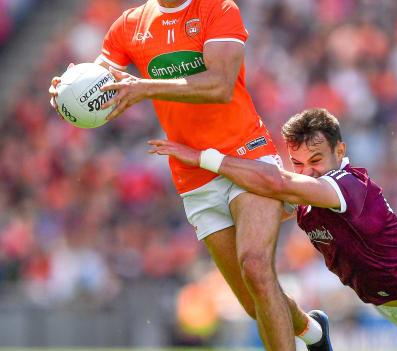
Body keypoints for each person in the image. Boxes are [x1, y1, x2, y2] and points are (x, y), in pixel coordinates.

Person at [47, 1, 330, 350]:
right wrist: (69, 90)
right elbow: (102, 82)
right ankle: (313, 332)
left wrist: (146, 87)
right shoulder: (129, 25)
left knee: (256, 267)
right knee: (252, 301)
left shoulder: (217, 8)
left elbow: (220, 85)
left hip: (246, 153)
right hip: (193, 174)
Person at [148, 107, 397, 335]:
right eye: (299, 164)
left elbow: (272, 182)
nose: (308, 171)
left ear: (340, 150)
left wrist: (203, 158)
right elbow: (270, 198)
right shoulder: (309, 193)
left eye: (316, 160)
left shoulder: (339, 184)